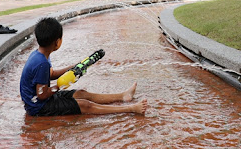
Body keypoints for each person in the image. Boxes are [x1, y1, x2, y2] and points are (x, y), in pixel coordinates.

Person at [19, 17, 147, 116]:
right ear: (57, 42)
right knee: (85, 105)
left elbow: (51, 74)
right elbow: (41, 94)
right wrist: (59, 85)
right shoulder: (42, 63)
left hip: (41, 100)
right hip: (38, 107)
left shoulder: (39, 54)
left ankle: (123, 96)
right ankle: (131, 108)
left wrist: (74, 68)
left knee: (81, 94)